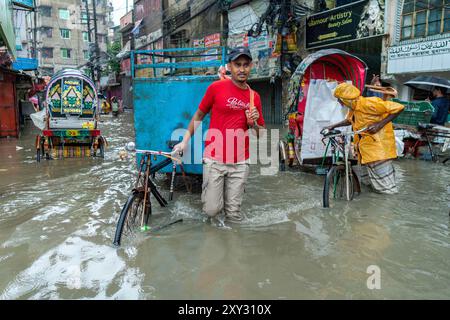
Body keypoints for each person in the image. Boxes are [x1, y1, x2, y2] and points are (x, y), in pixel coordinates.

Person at [173, 47, 266, 223]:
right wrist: (184, 141)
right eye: (237, 64)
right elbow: (199, 115)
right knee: (211, 210)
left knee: (233, 214)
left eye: (246, 65)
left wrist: (253, 123)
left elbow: (261, 134)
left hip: (240, 161)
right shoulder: (216, 88)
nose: (242, 69)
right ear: (230, 66)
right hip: (215, 159)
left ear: (251, 66)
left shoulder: (255, 97)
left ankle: (232, 245)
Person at [324, 82, 405, 194]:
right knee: (369, 184)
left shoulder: (369, 103)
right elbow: (349, 120)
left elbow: (399, 108)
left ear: (346, 99)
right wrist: (333, 126)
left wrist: (379, 125)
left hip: (379, 148)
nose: (339, 102)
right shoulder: (354, 107)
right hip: (365, 149)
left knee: (387, 188)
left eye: (339, 99)